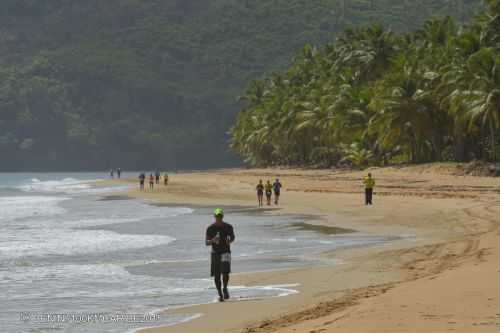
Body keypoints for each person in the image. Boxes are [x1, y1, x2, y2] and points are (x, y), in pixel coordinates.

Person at [205, 208, 235, 302]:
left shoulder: (228, 227)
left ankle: (225, 288)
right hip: (215, 253)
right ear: (214, 216)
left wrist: (229, 240)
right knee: (217, 275)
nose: (219, 218)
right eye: (217, 216)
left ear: (222, 216)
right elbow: (206, 242)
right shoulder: (210, 228)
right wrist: (213, 240)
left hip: (226, 251)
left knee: (225, 272)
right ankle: (220, 293)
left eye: (220, 216)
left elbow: (233, 237)